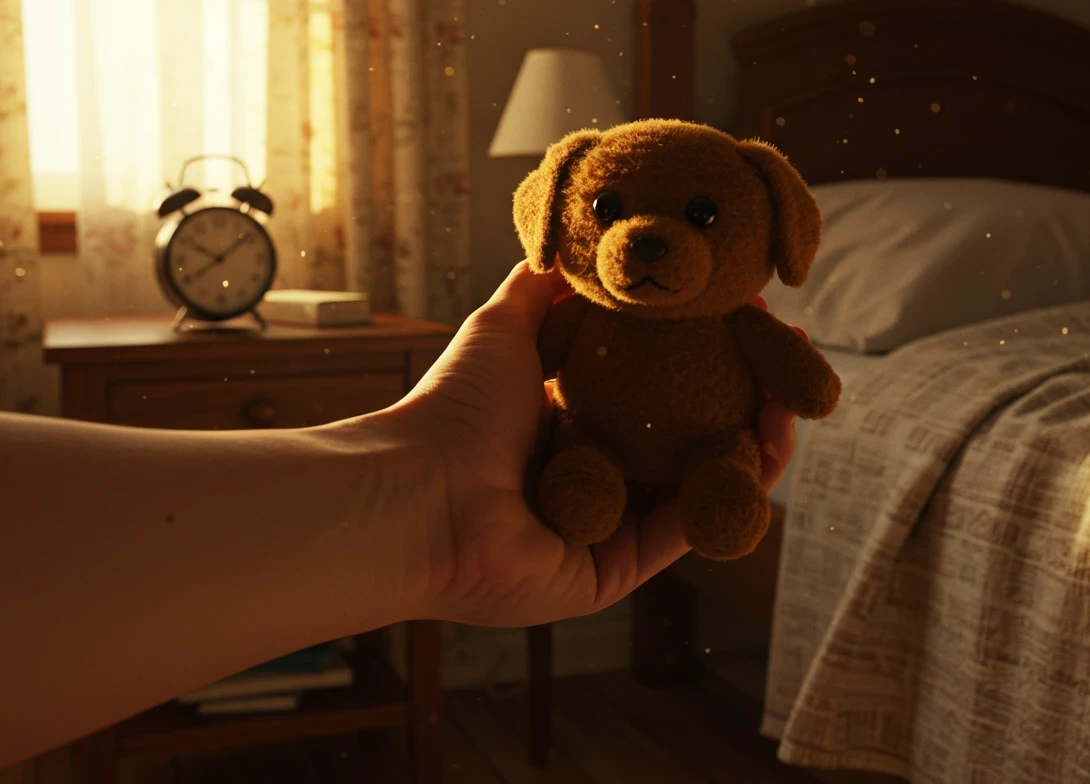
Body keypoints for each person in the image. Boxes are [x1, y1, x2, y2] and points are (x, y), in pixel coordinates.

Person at [0, 261, 800, 766]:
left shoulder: (740, 324)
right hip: (582, 450)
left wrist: (433, 507)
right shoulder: (573, 319)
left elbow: (806, 380)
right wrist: (436, 518)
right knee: (585, 476)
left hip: (686, 455)